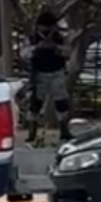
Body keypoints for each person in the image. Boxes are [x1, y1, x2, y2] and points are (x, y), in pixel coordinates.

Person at [25, 10, 72, 142]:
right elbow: (24, 53)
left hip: (57, 72)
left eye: (49, 27)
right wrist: (37, 48)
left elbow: (68, 51)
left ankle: (64, 131)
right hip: (39, 74)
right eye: (44, 27)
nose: (47, 30)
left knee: (61, 102)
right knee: (35, 103)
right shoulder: (32, 38)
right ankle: (32, 133)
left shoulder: (59, 37)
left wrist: (56, 47)